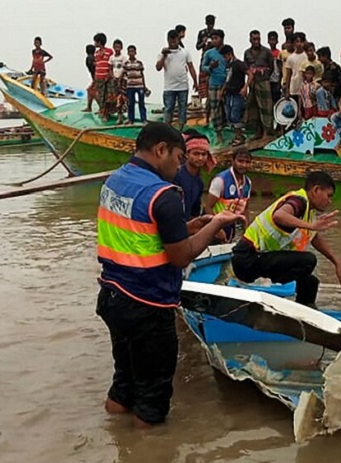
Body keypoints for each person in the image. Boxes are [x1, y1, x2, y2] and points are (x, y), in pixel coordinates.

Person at [96, 122, 242, 428]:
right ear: (160, 150)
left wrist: (188, 226)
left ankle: (114, 438)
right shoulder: (164, 194)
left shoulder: (115, 180)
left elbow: (140, 232)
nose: (179, 167)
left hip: (112, 295)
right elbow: (182, 257)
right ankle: (148, 450)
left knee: (123, 385)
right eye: (178, 158)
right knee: (152, 400)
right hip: (147, 306)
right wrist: (216, 224)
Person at [231, 171, 341, 309]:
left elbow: (314, 236)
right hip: (247, 259)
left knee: (311, 282)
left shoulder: (308, 211)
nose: (329, 201)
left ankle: (304, 312)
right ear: (316, 190)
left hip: (259, 259)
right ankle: (269, 286)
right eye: (328, 196)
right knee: (308, 260)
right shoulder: (299, 201)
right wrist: (311, 225)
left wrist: (336, 261)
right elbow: (279, 215)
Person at [206, 147, 252, 241]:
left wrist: (247, 230)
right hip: (212, 226)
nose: (243, 165)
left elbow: (246, 209)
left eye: (247, 162)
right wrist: (217, 229)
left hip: (230, 226)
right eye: (240, 161)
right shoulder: (220, 180)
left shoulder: (247, 183)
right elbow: (208, 207)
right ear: (233, 161)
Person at [157, 29, 198, 130]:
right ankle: (167, 129)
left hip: (183, 85)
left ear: (178, 40)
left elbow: (191, 67)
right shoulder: (162, 54)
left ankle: (180, 129)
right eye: (170, 40)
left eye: (174, 40)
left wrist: (195, 81)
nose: (172, 42)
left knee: (182, 108)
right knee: (168, 108)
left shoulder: (185, 52)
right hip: (169, 87)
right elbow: (158, 67)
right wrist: (164, 56)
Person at [244, 29, 275, 140]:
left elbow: (271, 67)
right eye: (254, 39)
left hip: (264, 82)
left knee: (266, 108)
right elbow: (246, 68)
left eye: (258, 39)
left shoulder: (266, 52)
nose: (256, 41)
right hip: (252, 83)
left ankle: (267, 133)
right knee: (254, 107)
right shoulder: (247, 52)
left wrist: (264, 75)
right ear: (250, 40)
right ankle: (257, 132)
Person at [173, 130, 211, 219]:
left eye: (203, 154)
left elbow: (195, 212)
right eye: (196, 154)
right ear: (187, 154)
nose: (200, 158)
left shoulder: (199, 182)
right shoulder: (176, 176)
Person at [220, 45, 249, 146]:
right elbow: (227, 80)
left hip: (237, 93)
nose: (224, 59)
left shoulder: (239, 64)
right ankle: (237, 136)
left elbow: (250, 74)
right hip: (229, 93)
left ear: (229, 54)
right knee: (229, 115)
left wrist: (245, 87)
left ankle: (240, 136)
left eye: (225, 57)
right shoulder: (228, 66)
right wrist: (222, 91)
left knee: (235, 115)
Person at [202, 30, 227, 140]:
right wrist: (210, 67)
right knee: (215, 109)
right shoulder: (209, 53)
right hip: (214, 84)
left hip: (227, 84)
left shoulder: (227, 51)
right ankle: (219, 135)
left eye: (216, 38)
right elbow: (203, 67)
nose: (213, 41)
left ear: (222, 39)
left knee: (227, 108)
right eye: (212, 39)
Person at [91, 33, 114, 119]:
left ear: (99, 42)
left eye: (95, 41)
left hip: (107, 77)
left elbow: (111, 64)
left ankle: (108, 113)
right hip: (98, 77)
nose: (94, 43)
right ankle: (103, 112)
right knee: (101, 96)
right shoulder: (96, 53)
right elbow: (97, 64)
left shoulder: (109, 51)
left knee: (108, 96)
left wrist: (109, 74)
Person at [195, 15, 216, 107]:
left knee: (213, 81)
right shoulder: (202, 33)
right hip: (204, 59)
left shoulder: (216, 33)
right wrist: (203, 43)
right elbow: (197, 47)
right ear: (206, 23)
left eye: (212, 23)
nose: (210, 25)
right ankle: (202, 102)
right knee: (202, 81)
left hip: (214, 59)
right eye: (209, 23)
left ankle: (212, 101)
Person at [124, 45, 148, 124]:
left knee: (141, 103)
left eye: (133, 51)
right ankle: (131, 119)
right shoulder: (126, 64)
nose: (131, 53)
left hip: (139, 85)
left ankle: (144, 119)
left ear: (135, 52)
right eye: (130, 51)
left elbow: (142, 74)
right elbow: (124, 75)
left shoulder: (139, 63)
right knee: (131, 103)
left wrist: (144, 86)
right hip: (130, 86)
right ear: (128, 53)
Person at [283, 32, 308, 107]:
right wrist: (287, 90)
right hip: (294, 86)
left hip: (305, 86)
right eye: (297, 41)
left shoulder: (306, 56)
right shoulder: (290, 58)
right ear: (293, 43)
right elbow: (288, 74)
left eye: (301, 41)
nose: (299, 44)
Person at [109, 40, 128, 125]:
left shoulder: (123, 58)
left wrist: (120, 78)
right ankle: (119, 116)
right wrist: (113, 76)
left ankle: (124, 115)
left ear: (121, 48)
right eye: (115, 47)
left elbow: (125, 69)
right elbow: (110, 68)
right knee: (116, 98)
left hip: (122, 80)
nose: (117, 48)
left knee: (123, 98)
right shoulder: (112, 58)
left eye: (119, 47)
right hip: (115, 80)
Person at [84, 44, 97, 112]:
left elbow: (93, 69)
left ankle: (101, 108)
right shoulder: (94, 57)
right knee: (91, 91)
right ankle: (89, 107)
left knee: (93, 91)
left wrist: (94, 80)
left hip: (96, 77)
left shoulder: (89, 58)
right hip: (95, 77)